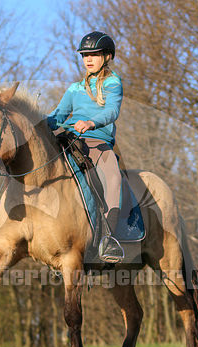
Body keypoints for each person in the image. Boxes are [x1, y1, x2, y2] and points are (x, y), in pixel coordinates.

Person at [47, 31, 124, 263]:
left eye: (94, 54)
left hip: (98, 143)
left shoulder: (113, 82)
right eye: (85, 55)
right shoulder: (74, 88)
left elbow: (112, 111)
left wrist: (91, 122)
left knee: (113, 177)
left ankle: (110, 238)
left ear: (107, 56)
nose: (88, 59)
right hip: (70, 140)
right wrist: (36, 123)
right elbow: (57, 115)